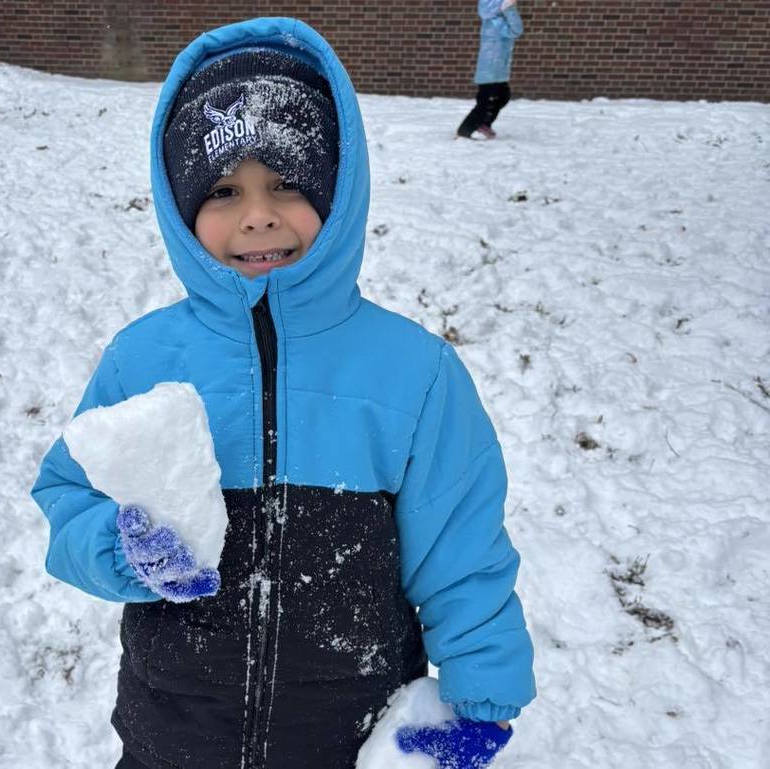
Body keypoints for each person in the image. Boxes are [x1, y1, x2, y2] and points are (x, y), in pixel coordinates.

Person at [31, 17, 535, 769]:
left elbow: (463, 549)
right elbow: (69, 495)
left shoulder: (413, 371)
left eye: (287, 184)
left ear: (338, 189)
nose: (258, 214)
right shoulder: (143, 359)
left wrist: (482, 696)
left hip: (345, 735)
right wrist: (116, 547)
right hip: (172, 735)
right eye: (226, 189)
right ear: (180, 203)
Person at [457, 0, 523, 139]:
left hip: (498, 70)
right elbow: (517, 30)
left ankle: (484, 124)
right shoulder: (495, 22)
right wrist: (510, 10)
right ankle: (464, 131)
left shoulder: (497, 19)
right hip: (490, 71)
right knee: (485, 103)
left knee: (503, 96)